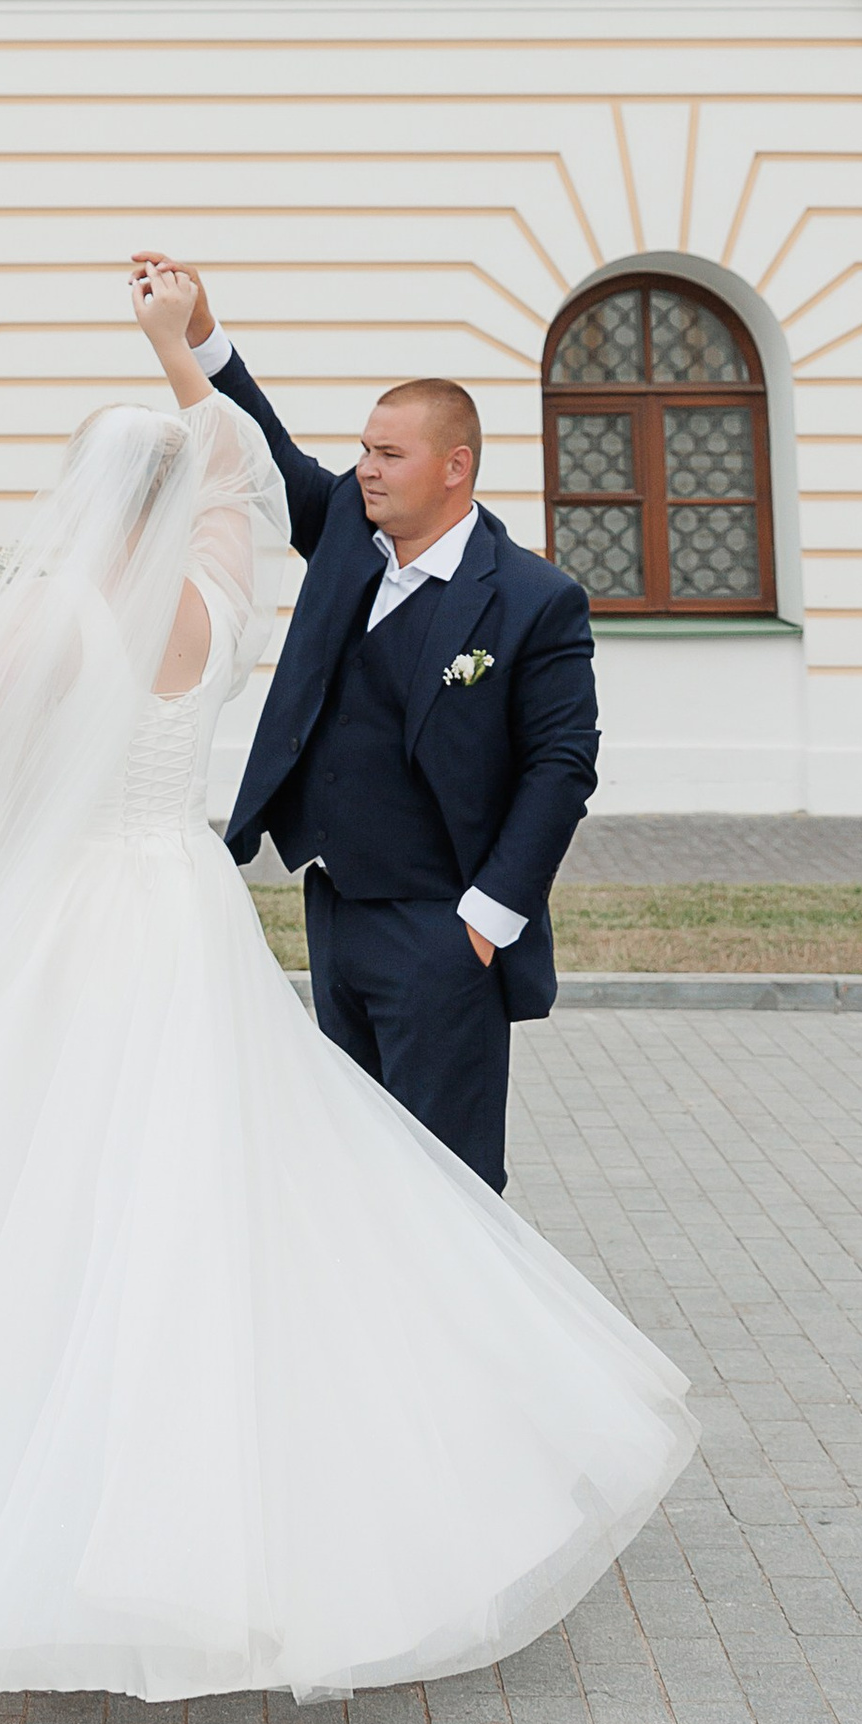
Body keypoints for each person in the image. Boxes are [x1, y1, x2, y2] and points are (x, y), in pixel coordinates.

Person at [0, 265, 695, 1724]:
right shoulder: (215, 599)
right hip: (189, 914)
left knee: (39, 1205)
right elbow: (249, 481)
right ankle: (346, 1495)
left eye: (388, 453)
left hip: (93, 920)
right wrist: (188, 356)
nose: (362, 472)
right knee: (241, 1197)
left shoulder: (57, 620)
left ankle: (70, 1512)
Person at [135, 257, 597, 1199]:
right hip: (338, 912)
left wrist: (485, 922)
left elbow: (561, 768)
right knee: (354, 1173)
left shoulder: (534, 599)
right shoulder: (349, 524)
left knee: (448, 1182)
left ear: (456, 468)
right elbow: (265, 452)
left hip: (444, 929)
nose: (366, 469)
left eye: (389, 454)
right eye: (363, 451)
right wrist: (199, 336)